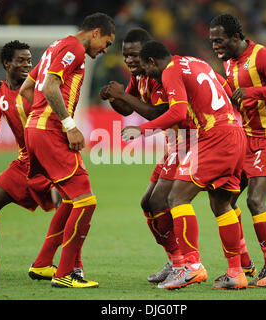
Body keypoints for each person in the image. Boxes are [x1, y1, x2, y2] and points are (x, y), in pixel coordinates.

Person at [122, 41, 248, 290]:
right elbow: (228, 90)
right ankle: (236, 272)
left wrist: (142, 130)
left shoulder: (170, 70)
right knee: (221, 203)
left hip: (214, 136)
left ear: (151, 62)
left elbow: (178, 112)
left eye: (148, 71)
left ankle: (191, 266)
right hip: (235, 132)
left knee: (177, 197)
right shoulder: (197, 62)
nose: (150, 77)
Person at [19, 12, 115, 288]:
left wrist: (39, 119)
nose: (105, 50)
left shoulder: (54, 47)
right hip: (50, 131)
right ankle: (66, 273)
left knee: (70, 199)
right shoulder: (74, 47)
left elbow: (27, 88)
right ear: (95, 32)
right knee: (86, 201)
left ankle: (42, 265)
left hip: (37, 130)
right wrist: (67, 125)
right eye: (106, 43)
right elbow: (49, 86)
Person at [209, 13, 266, 288]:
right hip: (246, 139)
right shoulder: (228, 62)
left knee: (255, 200)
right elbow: (237, 99)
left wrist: (255, 92)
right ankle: (245, 265)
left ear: (236, 37)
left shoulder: (262, 56)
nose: (215, 46)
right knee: (223, 199)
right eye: (212, 41)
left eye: (219, 40)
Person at [0, 40, 62, 280]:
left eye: (29, 60)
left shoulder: (40, 88)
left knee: (66, 207)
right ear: (7, 63)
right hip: (24, 163)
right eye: (21, 60)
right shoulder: (1, 93)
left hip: (49, 161)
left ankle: (67, 265)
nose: (28, 64)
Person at [99, 28, 183, 284]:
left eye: (135, 55)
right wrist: (114, 97)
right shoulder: (139, 77)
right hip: (173, 144)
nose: (130, 61)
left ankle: (183, 263)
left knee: (160, 201)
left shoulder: (162, 75)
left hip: (190, 141)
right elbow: (128, 108)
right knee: (147, 202)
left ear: (148, 54)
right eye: (125, 56)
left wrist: (122, 95)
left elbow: (158, 113)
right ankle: (173, 261)